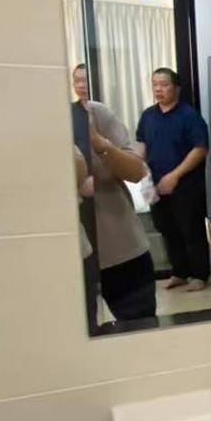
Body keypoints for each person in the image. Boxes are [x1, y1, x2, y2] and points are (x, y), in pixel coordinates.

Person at [70, 64, 158, 326]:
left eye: (86, 80)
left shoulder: (97, 114)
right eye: (77, 80)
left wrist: (99, 142)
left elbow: (136, 171)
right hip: (73, 258)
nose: (81, 85)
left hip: (120, 248)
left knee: (141, 329)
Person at [136, 67, 210, 291]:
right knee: (167, 229)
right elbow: (141, 144)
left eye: (164, 84)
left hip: (185, 184)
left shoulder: (189, 116)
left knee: (191, 229)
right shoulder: (148, 116)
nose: (158, 89)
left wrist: (175, 175)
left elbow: (200, 149)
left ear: (176, 88)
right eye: (155, 84)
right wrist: (139, 168)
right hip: (156, 183)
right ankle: (179, 272)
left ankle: (199, 275)